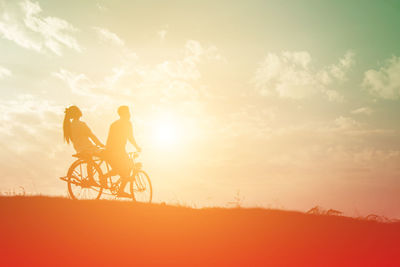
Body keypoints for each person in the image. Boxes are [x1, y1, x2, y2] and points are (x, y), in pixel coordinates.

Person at [105, 105, 141, 198]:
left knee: (122, 169)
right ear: (124, 113)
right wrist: (137, 147)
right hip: (117, 151)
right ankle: (118, 189)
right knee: (125, 168)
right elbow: (130, 137)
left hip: (115, 150)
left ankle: (108, 180)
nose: (129, 114)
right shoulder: (125, 124)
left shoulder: (115, 124)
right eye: (128, 112)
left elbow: (110, 138)